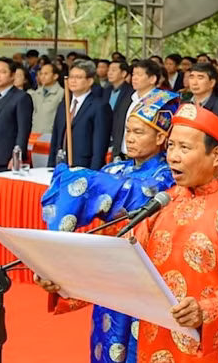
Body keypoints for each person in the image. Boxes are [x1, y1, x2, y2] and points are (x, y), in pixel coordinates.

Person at [37, 101, 218, 363]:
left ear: (215, 155)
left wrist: (206, 309)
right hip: (153, 342)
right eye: (171, 146)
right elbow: (118, 260)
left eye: (185, 148)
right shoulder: (162, 203)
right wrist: (65, 281)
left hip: (207, 346)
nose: (173, 156)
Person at [40, 90, 179, 363]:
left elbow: (137, 196)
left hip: (145, 279)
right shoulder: (114, 170)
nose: (130, 137)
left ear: (161, 138)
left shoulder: (167, 176)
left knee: (140, 349)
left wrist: (84, 179)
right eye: (128, 130)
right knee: (106, 344)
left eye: (140, 132)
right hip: (111, 278)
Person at [48, 60, 113, 170]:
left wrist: (93, 173)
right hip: (61, 164)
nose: (73, 80)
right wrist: (51, 166)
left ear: (90, 81)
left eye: (78, 77)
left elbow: (100, 145)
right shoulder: (64, 104)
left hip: (84, 166)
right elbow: (56, 137)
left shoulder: (99, 106)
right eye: (71, 77)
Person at [188, 62, 218, 175]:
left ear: (212, 82)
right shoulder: (185, 106)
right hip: (188, 166)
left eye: (200, 77)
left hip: (211, 169)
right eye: (191, 77)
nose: (194, 82)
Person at [112, 60, 158, 161]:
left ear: (152, 79)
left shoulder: (159, 103)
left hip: (148, 159)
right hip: (124, 156)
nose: (134, 78)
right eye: (133, 74)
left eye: (139, 75)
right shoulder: (129, 98)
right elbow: (119, 127)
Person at [29, 63, 64, 134]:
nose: (42, 77)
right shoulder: (36, 93)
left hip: (51, 134)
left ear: (55, 76)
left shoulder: (62, 93)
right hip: (34, 133)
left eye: (46, 74)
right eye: (41, 74)